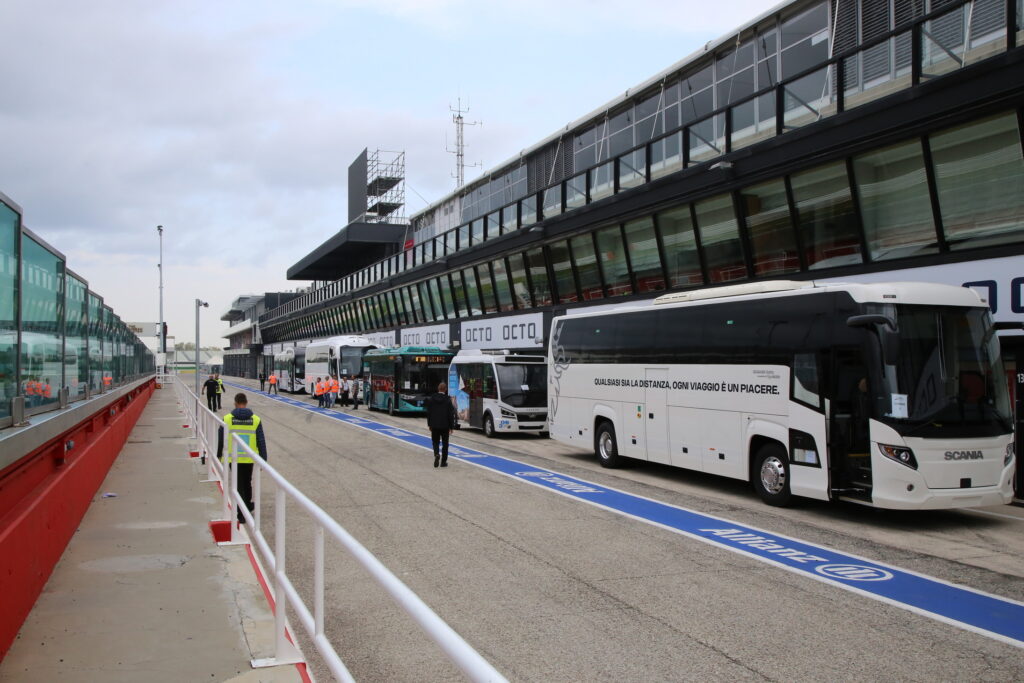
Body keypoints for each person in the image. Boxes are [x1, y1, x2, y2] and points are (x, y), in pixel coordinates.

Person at [216, 393, 267, 524]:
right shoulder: (256, 419)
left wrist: (218, 454)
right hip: (249, 458)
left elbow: (221, 438)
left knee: (238, 485)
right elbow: (261, 440)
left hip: (233, 458)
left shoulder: (227, 419)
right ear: (246, 402)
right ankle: (247, 507)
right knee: (247, 482)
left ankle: (241, 513)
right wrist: (263, 460)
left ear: (235, 402)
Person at [425, 381, 456, 467]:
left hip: (434, 425)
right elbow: (451, 414)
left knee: (435, 442)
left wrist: (429, 424)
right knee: (445, 444)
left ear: (438, 389)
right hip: (445, 425)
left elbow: (429, 412)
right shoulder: (448, 400)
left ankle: (436, 454)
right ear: (445, 390)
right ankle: (443, 462)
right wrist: (451, 426)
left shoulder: (432, 398)